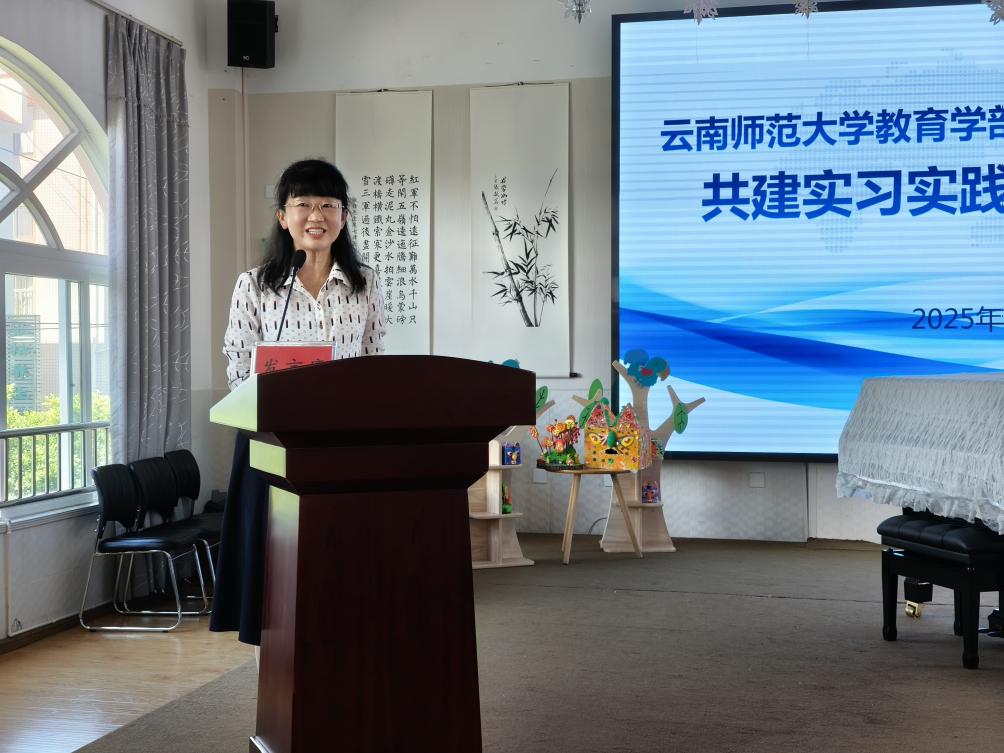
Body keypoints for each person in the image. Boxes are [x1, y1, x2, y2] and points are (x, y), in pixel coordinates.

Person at [210, 159, 386, 650]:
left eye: (328, 204)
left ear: (344, 217)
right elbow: (237, 365)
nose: (316, 215)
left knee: (336, 565)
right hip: (271, 441)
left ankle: (339, 650)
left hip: (342, 443)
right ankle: (274, 657)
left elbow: (374, 360)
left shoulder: (365, 283)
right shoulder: (254, 285)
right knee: (272, 572)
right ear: (283, 217)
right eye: (303, 204)